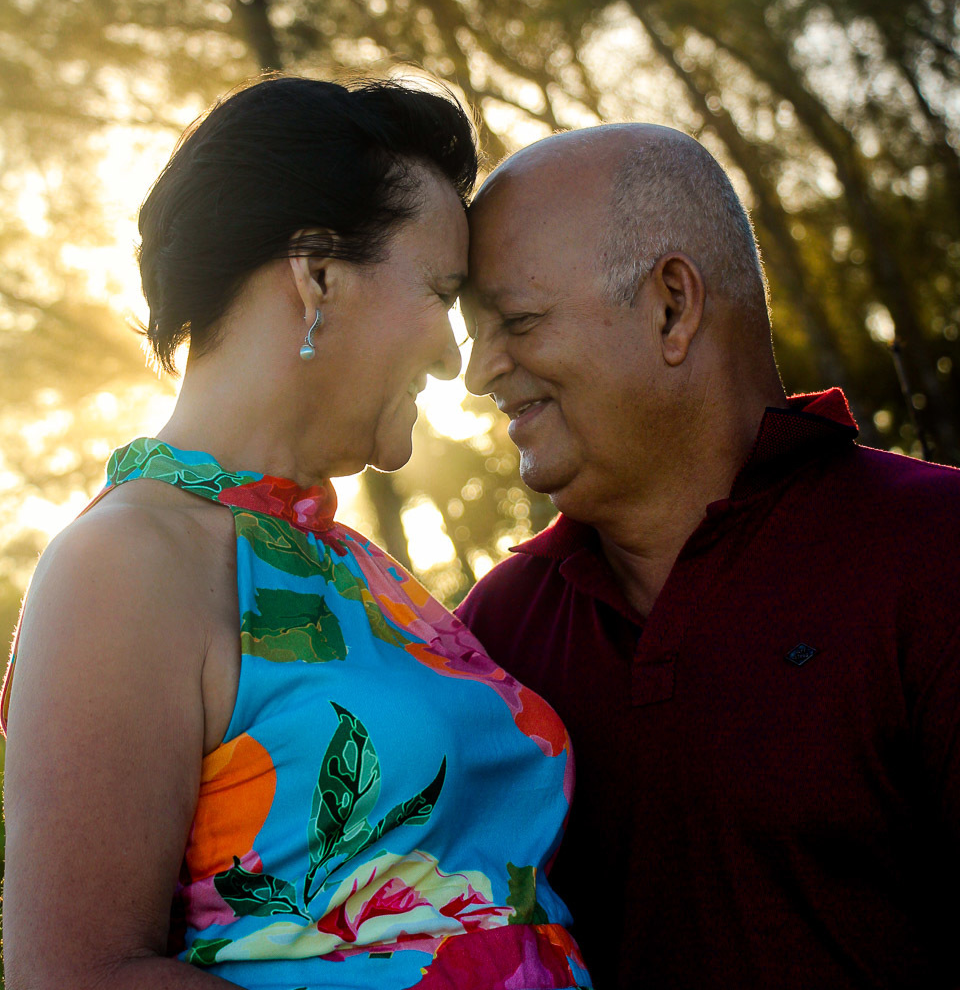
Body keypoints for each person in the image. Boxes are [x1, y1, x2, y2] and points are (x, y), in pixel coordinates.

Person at [1, 75, 593, 990]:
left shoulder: (358, 572)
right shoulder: (124, 563)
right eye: (440, 292)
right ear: (316, 275)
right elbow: (79, 977)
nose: (456, 358)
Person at [457, 122, 960, 990]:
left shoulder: (936, 552)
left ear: (672, 306)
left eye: (519, 320)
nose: (477, 374)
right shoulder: (487, 637)